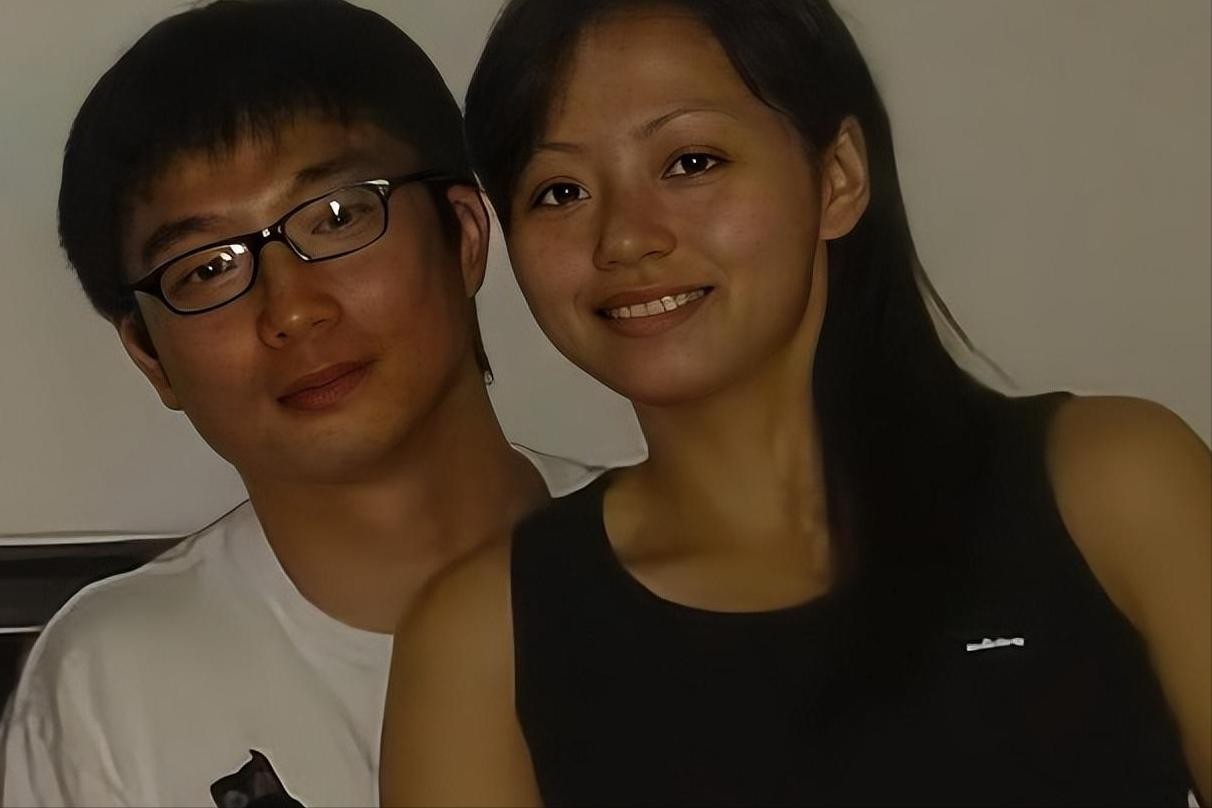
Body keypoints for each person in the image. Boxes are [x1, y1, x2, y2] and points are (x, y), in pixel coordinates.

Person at [379, 0, 1212, 805]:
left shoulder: (1114, 486)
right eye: (560, 192)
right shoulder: (482, 644)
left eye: (690, 162)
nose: (625, 238)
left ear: (838, 177)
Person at [0, 1, 602, 805]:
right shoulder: (109, 684)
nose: (291, 310)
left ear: (462, 233)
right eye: (207, 268)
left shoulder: (689, 561)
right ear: (150, 354)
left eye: (337, 218)